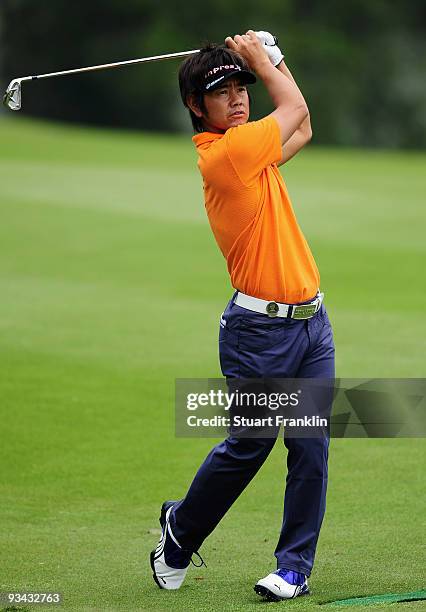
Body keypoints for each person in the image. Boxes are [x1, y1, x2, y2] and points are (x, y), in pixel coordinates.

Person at [150, 30, 335, 602]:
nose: (236, 98)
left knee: (310, 445)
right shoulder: (228, 155)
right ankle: (179, 531)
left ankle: (294, 566)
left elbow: (302, 126)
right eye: (221, 91)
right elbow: (296, 108)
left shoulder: (250, 146)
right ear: (194, 106)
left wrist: (269, 62)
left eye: (241, 86)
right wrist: (266, 57)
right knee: (249, 445)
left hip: (311, 327)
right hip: (261, 334)